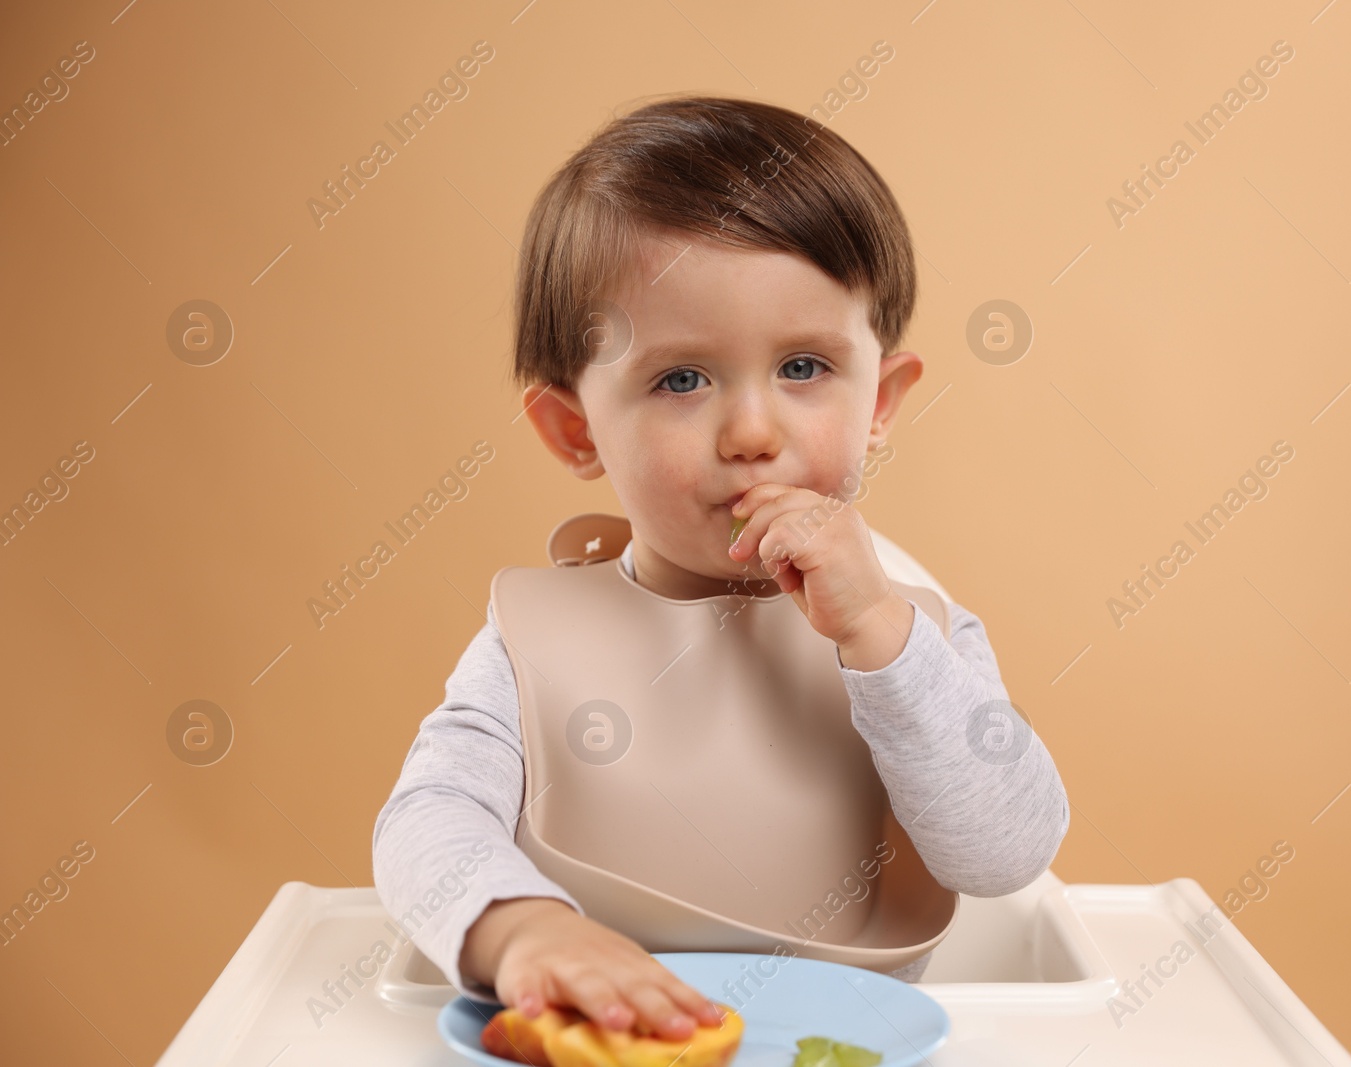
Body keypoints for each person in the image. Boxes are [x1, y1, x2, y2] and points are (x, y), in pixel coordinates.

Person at [372, 94, 1069, 1042]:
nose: (751, 433)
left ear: (881, 401)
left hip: (856, 1048)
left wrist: (879, 639)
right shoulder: (534, 640)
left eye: (805, 368)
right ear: (577, 427)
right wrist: (523, 927)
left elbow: (1007, 851)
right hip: (605, 1045)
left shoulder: (914, 630)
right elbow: (428, 821)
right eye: (681, 379)